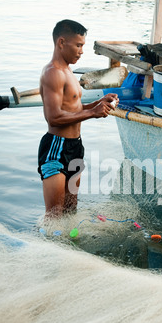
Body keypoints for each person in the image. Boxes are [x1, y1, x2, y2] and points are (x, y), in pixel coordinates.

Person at [38, 19, 118, 218]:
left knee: (70, 212)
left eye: (82, 45)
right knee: (54, 216)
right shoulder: (53, 73)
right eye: (78, 45)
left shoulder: (68, 71)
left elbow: (74, 108)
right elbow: (53, 117)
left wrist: (98, 103)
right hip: (56, 148)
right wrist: (92, 113)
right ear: (61, 42)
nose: (81, 51)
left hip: (75, 147)